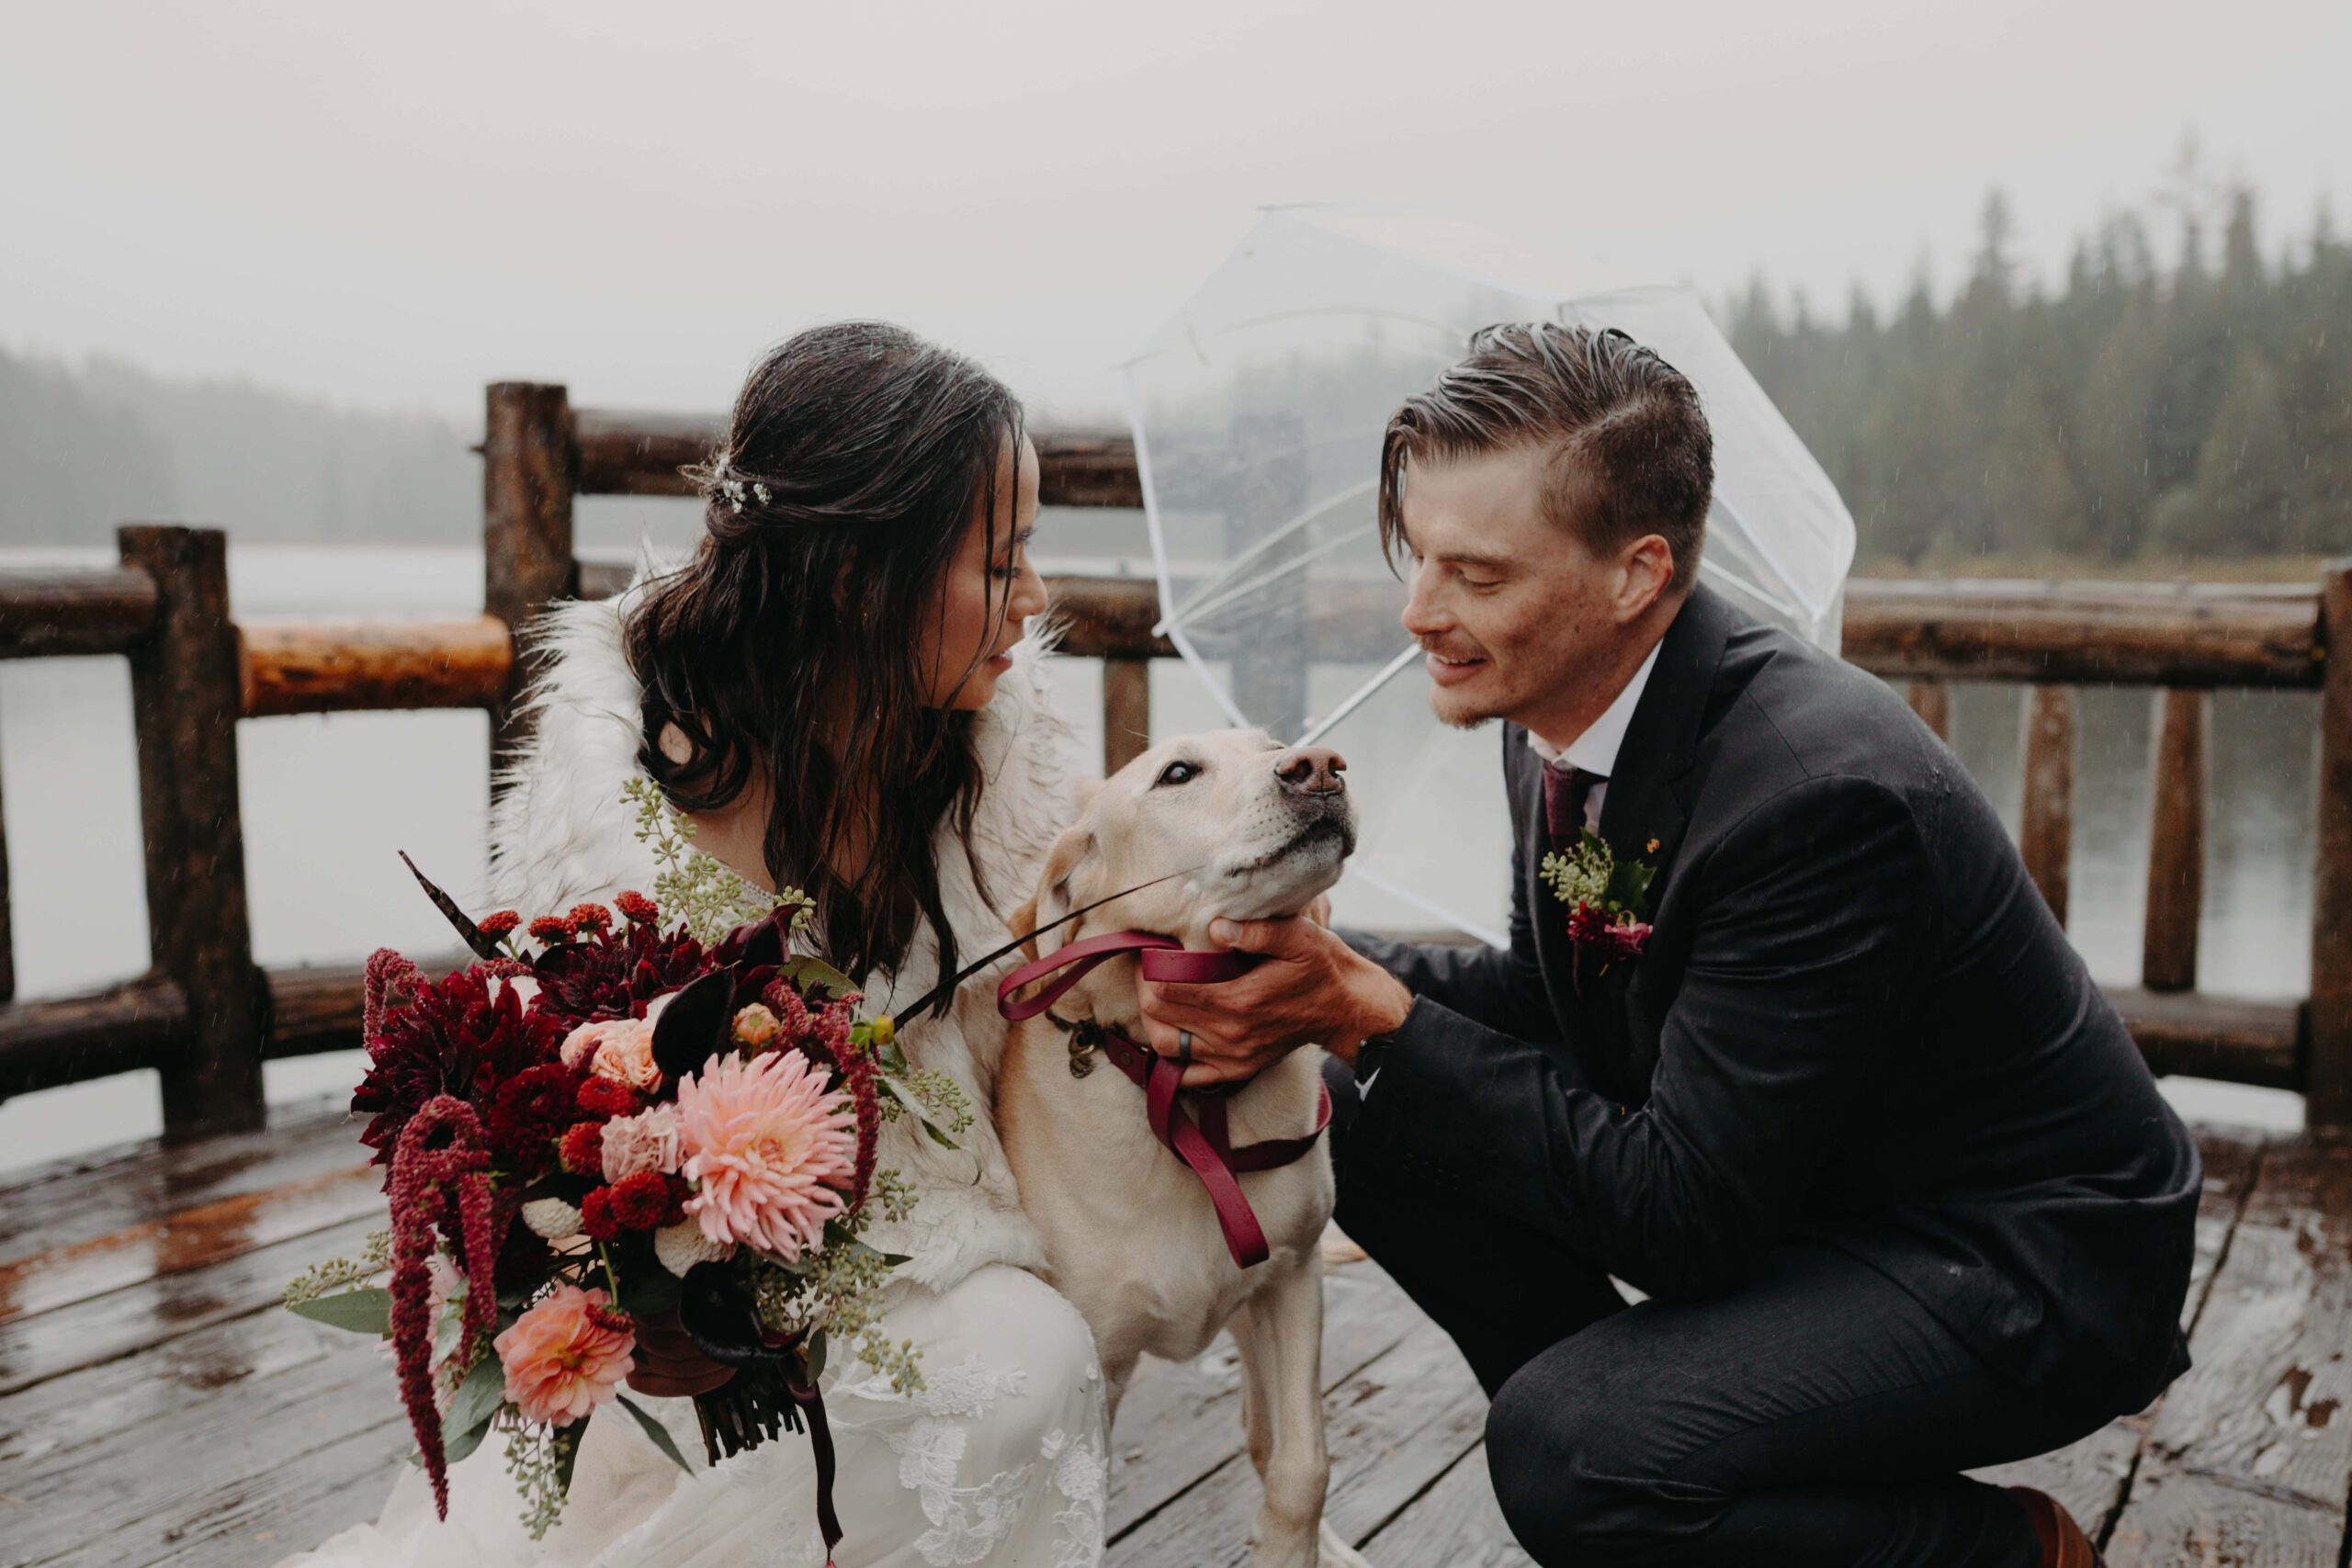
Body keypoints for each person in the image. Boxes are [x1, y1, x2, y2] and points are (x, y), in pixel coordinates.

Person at [1133, 322, 2199, 1568]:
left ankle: (2001, 1552)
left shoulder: (1819, 797)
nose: (1420, 612)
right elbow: (1548, 996)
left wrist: (1367, 1004)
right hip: (1806, 1190)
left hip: (2022, 1263)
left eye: (1475, 574)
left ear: (1635, 573)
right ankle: (1683, 1449)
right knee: (1351, 1104)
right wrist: (1311, 969)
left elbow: (1687, 1220)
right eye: (1416, 558)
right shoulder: (1549, 700)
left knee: (1571, 1455)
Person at [285, 322, 1108, 1568]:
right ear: (855, 576)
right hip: (673, 1328)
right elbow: (541, 1131)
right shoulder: (616, 792)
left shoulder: (1013, 774)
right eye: (1000, 562)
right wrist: (636, 1284)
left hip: (942, 1254)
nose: (1037, 599)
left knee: (1030, 1361)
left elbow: (1085, 1033)